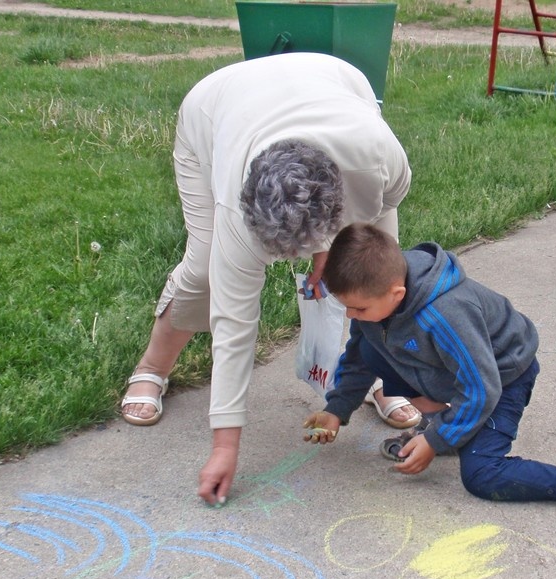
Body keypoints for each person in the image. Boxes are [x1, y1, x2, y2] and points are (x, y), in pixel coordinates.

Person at [119, 53, 421, 507]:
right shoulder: (234, 206)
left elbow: (377, 246)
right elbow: (233, 325)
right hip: (215, 110)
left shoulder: (379, 159)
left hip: (335, 84)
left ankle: (377, 378)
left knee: (372, 276)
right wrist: (226, 446)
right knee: (204, 269)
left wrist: (332, 252)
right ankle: (151, 368)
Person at [303, 224, 556, 503]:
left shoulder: (445, 314)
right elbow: (356, 358)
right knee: (369, 349)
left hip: (504, 376)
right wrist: (336, 409)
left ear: (396, 293)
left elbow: (482, 387)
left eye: (359, 308)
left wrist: (435, 439)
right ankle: (450, 426)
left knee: (482, 474)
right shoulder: (377, 298)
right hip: (460, 371)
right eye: (346, 306)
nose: (352, 315)